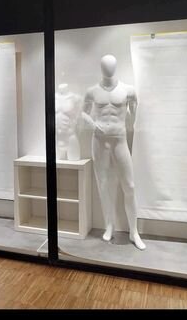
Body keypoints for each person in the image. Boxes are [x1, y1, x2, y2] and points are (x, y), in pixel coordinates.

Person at [82, 54, 146, 250]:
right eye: (105, 65)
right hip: (99, 141)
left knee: (130, 186)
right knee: (103, 184)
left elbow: (134, 113)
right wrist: (94, 125)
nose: (108, 68)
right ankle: (109, 225)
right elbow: (83, 112)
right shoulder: (92, 91)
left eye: (110, 65)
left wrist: (132, 116)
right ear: (101, 68)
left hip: (119, 139)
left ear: (115, 67)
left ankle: (134, 231)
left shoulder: (128, 90)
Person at [55, 83, 81, 160]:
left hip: (70, 136)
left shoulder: (75, 98)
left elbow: (79, 117)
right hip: (56, 137)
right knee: (54, 163)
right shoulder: (52, 97)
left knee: (74, 161)